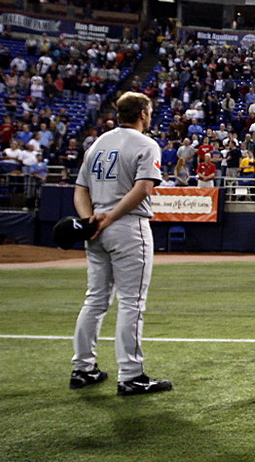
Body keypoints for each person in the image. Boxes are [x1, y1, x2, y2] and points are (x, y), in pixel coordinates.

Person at [70, 92, 172, 396]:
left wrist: (92, 221)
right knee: (132, 302)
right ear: (142, 113)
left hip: (97, 227)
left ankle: (82, 368)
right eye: (149, 111)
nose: (150, 115)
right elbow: (142, 189)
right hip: (127, 226)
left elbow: (80, 190)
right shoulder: (145, 143)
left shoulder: (98, 143)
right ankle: (131, 375)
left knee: (95, 299)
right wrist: (111, 218)